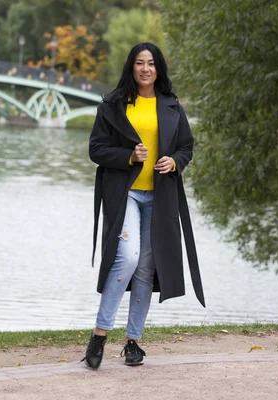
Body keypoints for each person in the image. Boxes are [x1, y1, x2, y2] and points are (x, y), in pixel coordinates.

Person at [84, 42, 206, 370]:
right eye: (140, 63)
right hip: (126, 194)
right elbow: (96, 149)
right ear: (131, 67)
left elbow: (186, 146)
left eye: (151, 63)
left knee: (145, 269)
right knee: (128, 258)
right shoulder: (113, 104)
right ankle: (99, 335)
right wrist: (128, 156)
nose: (145, 69)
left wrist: (175, 162)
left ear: (158, 69)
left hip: (160, 195)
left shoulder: (170, 105)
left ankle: (133, 342)